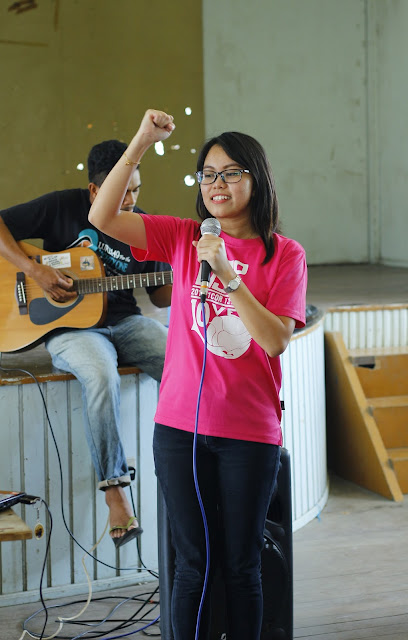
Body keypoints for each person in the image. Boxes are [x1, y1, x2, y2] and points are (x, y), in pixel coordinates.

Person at [88, 110, 307, 639]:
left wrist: (229, 274)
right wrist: (141, 142)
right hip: (179, 429)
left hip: (248, 434)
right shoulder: (183, 236)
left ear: (257, 178)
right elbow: (103, 215)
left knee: (242, 565)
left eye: (230, 172)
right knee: (192, 565)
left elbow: (275, 339)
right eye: (208, 174)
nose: (216, 184)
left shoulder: (284, 255)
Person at [0, 139, 172, 548]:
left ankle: (199, 460)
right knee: (99, 374)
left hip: (126, 322)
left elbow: (161, 297)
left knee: (183, 360)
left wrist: (186, 275)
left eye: (136, 189)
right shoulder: (62, 206)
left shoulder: (143, 226)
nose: (130, 201)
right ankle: (116, 492)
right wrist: (34, 271)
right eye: (121, 191)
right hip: (72, 330)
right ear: (95, 191)